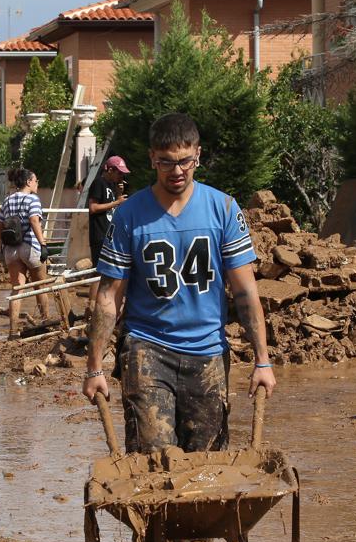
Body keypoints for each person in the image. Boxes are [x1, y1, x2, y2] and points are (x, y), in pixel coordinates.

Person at [83, 112, 276, 453]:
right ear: (151, 159)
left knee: (207, 465)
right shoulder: (129, 216)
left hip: (208, 353)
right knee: (154, 459)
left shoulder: (224, 210)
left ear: (198, 155)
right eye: (166, 162)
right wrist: (94, 367)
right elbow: (108, 297)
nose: (176, 171)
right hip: (147, 349)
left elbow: (246, 293)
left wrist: (262, 361)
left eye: (185, 161)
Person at [0, 167, 52, 339]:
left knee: (17, 289)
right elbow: (34, 220)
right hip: (30, 248)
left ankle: (13, 332)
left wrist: (2, 244)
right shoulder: (33, 199)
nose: (37, 184)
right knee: (40, 286)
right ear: (29, 182)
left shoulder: (7, 200)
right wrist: (43, 245)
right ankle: (45, 323)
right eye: (36, 180)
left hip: (11, 250)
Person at [86, 155, 130, 311]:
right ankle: (91, 308)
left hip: (109, 235)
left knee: (108, 273)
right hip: (99, 234)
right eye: (119, 173)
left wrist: (119, 193)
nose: (121, 176)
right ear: (110, 170)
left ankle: (101, 305)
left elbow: (116, 208)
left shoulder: (111, 185)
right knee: (98, 272)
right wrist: (116, 202)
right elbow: (93, 208)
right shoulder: (98, 183)